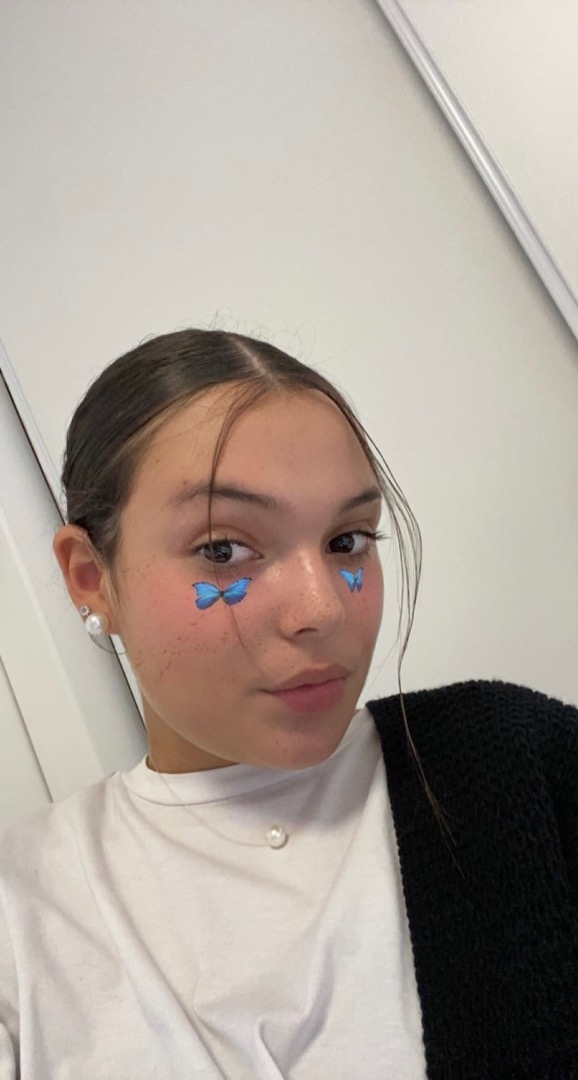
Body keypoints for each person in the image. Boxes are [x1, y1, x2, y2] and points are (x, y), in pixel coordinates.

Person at [0, 329, 576, 1079]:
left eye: (347, 540)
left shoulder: (509, 763)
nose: (322, 608)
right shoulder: (24, 912)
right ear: (90, 577)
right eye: (223, 550)